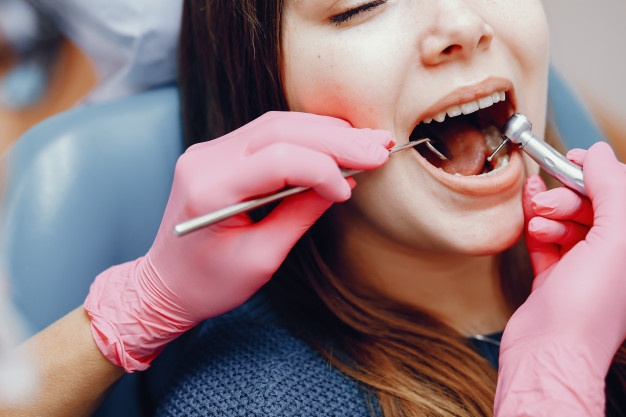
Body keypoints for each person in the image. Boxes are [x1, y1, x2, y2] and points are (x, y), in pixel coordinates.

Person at [1, 0, 625, 416]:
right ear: (265, 93)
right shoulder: (256, 400)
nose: (461, 24)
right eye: (359, 3)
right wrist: (554, 378)